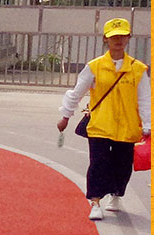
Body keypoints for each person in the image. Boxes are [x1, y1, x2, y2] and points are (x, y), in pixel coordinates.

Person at [57, 18, 149, 221]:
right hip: (100, 124)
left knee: (122, 164)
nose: (118, 40)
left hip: (127, 126)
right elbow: (77, 93)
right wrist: (65, 116)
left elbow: (144, 99)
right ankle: (95, 202)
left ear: (129, 38)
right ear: (106, 39)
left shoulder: (138, 69)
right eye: (114, 37)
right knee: (98, 163)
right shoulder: (94, 66)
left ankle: (116, 194)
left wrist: (148, 124)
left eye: (122, 36)